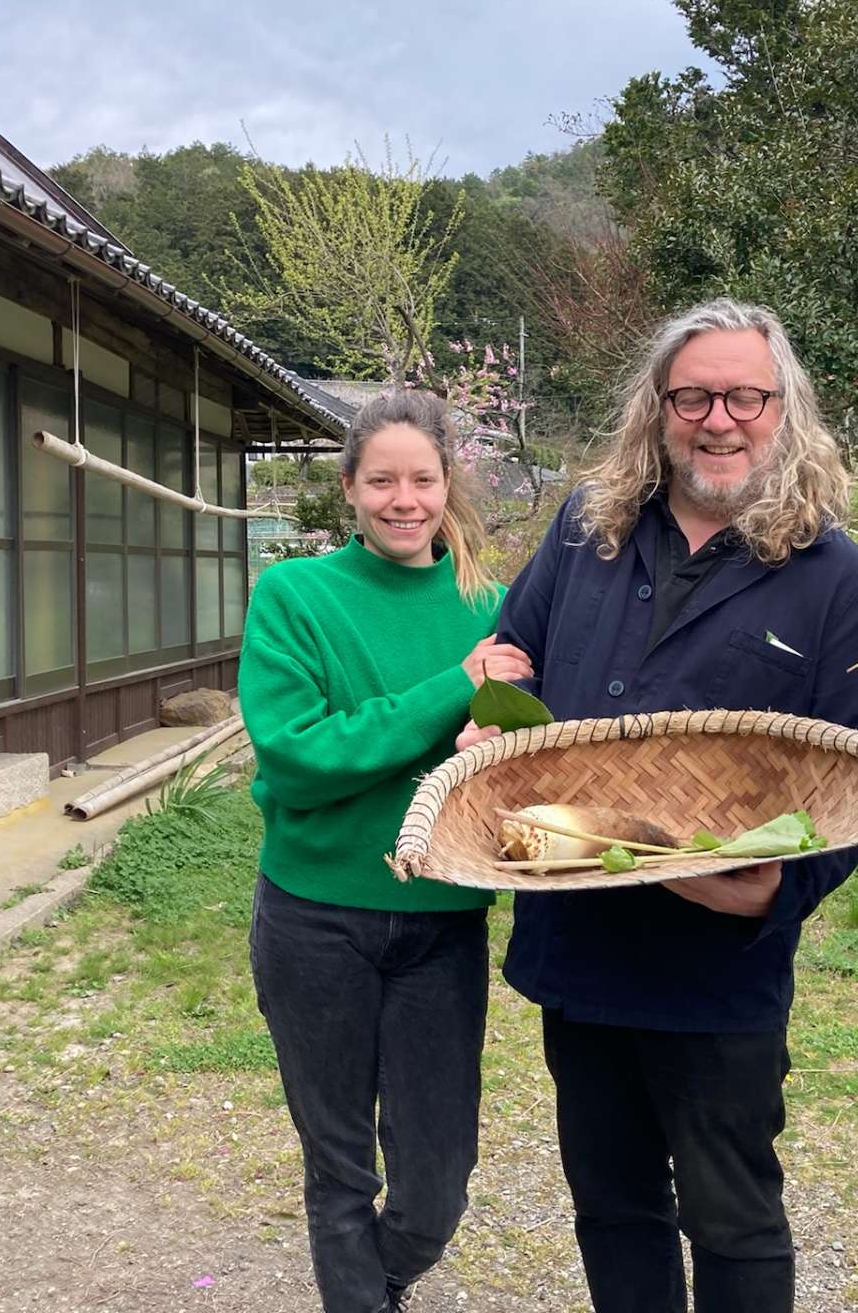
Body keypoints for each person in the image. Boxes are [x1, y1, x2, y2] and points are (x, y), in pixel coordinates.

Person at [459, 297, 858, 1313]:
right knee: (612, 1207)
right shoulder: (586, 532)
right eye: (694, 395)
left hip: (718, 971)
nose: (720, 419)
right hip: (582, 945)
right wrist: (487, 696)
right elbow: (507, 659)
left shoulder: (835, 580)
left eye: (746, 396)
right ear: (657, 410)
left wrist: (770, 897)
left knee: (732, 1217)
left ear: (784, 411)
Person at [238, 389, 532, 1313]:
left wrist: (493, 750)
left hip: (441, 916)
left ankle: (382, 1275)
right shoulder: (295, 595)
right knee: (338, 1166)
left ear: (450, 484)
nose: (403, 500)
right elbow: (297, 759)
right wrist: (454, 691)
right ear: (349, 488)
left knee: (436, 1186)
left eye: (422, 479)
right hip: (313, 915)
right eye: (382, 481)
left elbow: (524, 751)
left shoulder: (491, 606)